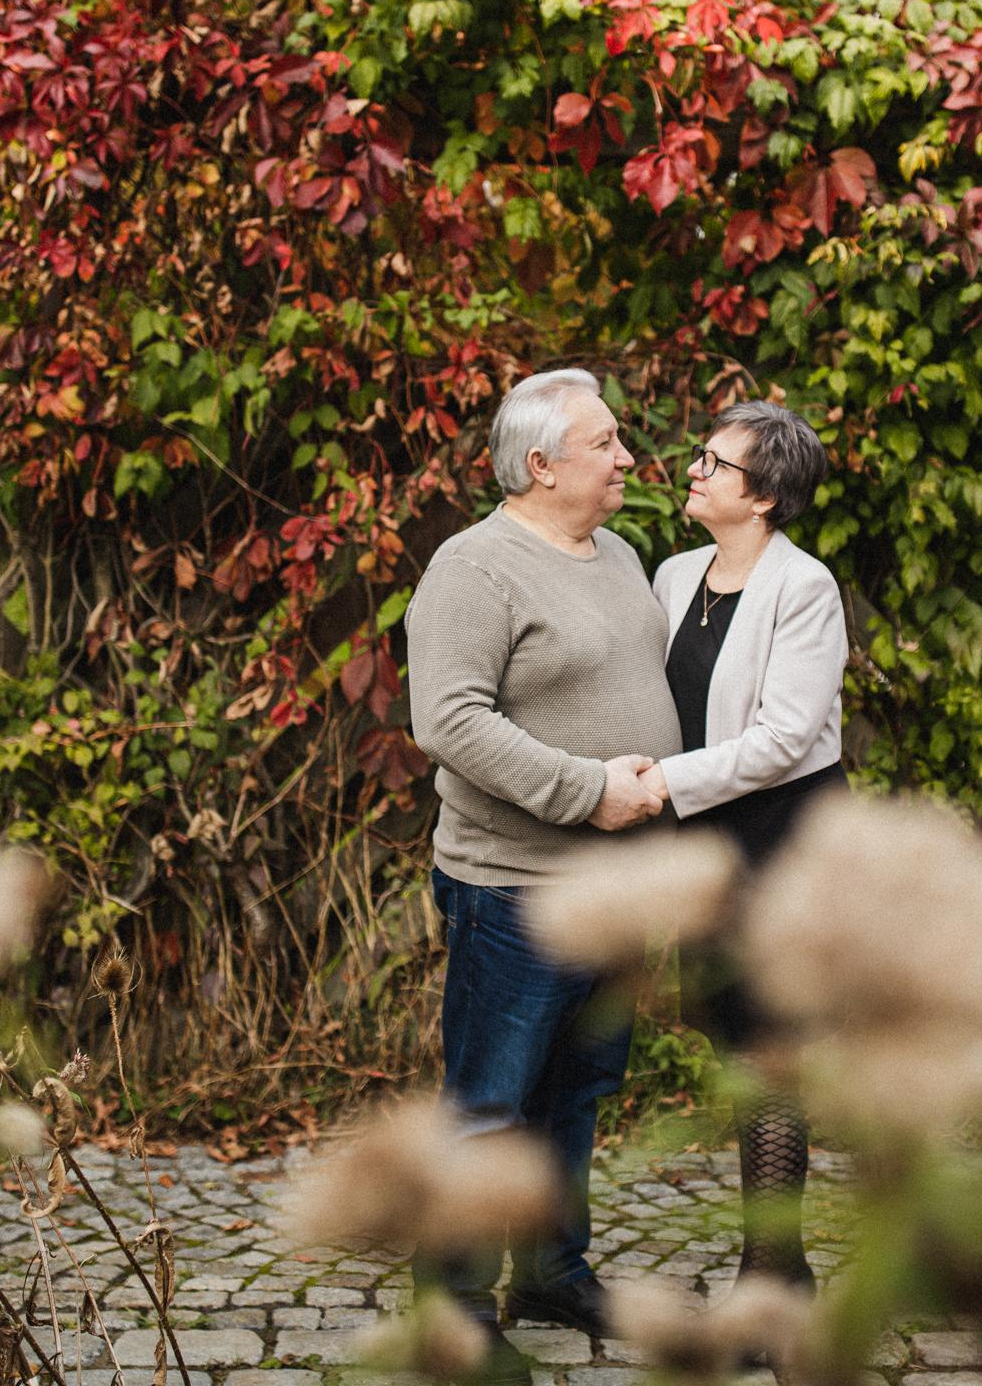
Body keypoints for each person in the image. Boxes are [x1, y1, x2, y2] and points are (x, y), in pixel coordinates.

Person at [404, 367, 679, 1378]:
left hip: (614, 888)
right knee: (493, 1100)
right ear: (540, 463)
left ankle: (554, 1270)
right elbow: (450, 722)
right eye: (604, 443)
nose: (625, 458)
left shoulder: (620, 554)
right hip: (515, 885)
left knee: (578, 1088)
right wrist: (586, 791)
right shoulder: (474, 569)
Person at [642, 399, 847, 1293]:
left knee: (772, 1051)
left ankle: (773, 1273)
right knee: (735, 1042)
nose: (694, 469)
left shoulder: (805, 588)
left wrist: (663, 785)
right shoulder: (674, 573)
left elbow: (785, 739)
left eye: (714, 463)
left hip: (782, 838)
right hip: (706, 839)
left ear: (763, 497)